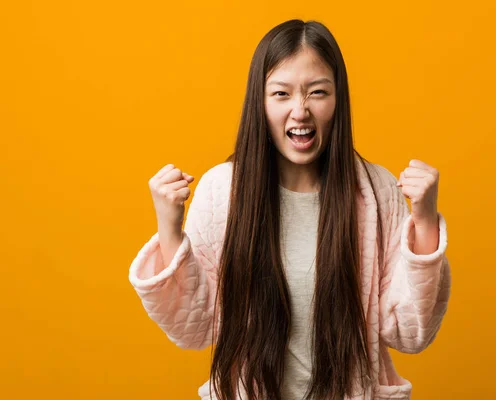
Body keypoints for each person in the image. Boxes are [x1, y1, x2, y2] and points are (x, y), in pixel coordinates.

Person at [129, 19, 451, 400]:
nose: (300, 111)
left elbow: (410, 333)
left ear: (338, 99)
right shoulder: (224, 191)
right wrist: (169, 229)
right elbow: (195, 330)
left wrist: (425, 220)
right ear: (260, 102)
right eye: (281, 94)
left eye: (317, 92)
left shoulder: (378, 190)